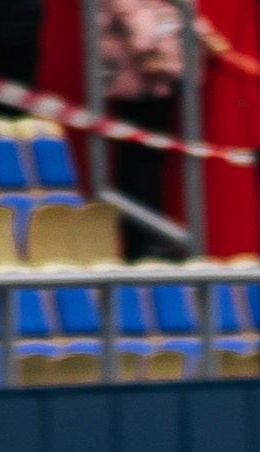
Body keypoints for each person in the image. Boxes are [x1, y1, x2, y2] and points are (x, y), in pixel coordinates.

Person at [101, 0, 185, 261]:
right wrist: (147, 48)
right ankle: (141, 242)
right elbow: (127, 8)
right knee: (139, 161)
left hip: (156, 60)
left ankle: (148, 239)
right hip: (139, 65)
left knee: (147, 159)